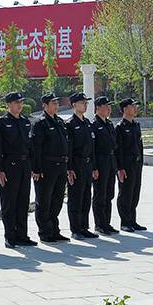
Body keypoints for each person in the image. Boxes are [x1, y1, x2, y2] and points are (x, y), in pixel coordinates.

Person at [0, 91, 36, 248]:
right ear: (8, 105)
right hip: (9, 165)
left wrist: (32, 166)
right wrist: (0, 169)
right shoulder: (2, 122)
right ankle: (10, 236)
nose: (20, 105)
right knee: (9, 202)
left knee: (23, 202)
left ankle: (22, 235)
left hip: (25, 165)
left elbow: (30, 146)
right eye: (16, 102)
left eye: (21, 102)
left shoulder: (25, 121)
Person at [31, 93, 69, 244]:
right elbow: (36, 148)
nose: (56, 106)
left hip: (61, 165)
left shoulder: (59, 121)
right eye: (53, 103)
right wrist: (37, 169)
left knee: (57, 199)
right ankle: (45, 232)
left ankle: (54, 230)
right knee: (44, 200)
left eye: (57, 103)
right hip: (47, 167)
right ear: (45, 106)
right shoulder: (40, 123)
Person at [65, 92, 98, 240]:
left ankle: (84, 227)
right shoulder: (70, 124)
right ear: (74, 105)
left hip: (87, 164)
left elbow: (92, 147)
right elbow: (69, 149)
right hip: (76, 165)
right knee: (75, 198)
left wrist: (94, 167)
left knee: (86, 197)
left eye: (86, 103)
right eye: (82, 103)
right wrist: (69, 168)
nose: (85, 105)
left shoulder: (87, 123)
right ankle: (76, 229)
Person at [116, 97, 146, 232]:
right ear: (125, 109)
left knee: (135, 193)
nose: (135, 108)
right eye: (132, 106)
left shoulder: (136, 125)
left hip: (137, 164)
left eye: (135, 106)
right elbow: (118, 150)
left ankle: (132, 220)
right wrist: (120, 168)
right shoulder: (120, 127)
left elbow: (140, 146)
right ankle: (125, 222)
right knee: (126, 193)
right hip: (126, 165)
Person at [91, 96, 119, 235]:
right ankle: (99, 224)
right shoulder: (94, 125)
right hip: (100, 162)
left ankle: (106, 223)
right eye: (106, 106)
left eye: (109, 106)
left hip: (110, 162)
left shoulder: (109, 124)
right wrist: (94, 167)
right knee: (100, 195)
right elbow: (92, 149)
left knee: (109, 194)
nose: (109, 108)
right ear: (98, 108)